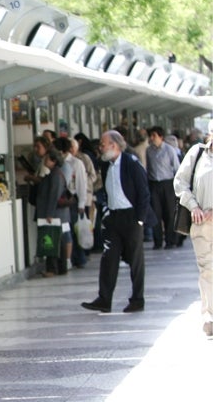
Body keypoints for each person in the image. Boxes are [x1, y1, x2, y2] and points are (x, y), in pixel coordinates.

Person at [82, 130, 150, 314]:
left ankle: (137, 299)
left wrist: (140, 220)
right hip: (113, 217)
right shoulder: (106, 165)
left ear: (114, 145)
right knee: (108, 258)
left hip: (131, 217)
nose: (100, 147)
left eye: (103, 144)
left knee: (135, 260)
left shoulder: (131, 163)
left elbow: (144, 192)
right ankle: (104, 299)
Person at [174, 121, 213, 336]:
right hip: (201, 225)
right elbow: (180, 182)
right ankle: (209, 315)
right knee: (207, 270)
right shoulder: (197, 153)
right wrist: (193, 206)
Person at [35, 150, 71, 277]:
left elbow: (53, 195)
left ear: (54, 161)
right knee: (58, 241)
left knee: (52, 241)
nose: (45, 161)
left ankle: (53, 268)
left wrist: (49, 213)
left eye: (47, 159)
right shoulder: (53, 174)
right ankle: (61, 268)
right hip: (56, 213)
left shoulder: (56, 175)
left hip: (55, 214)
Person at [54, 137, 89, 268]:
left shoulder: (76, 163)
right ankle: (68, 258)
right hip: (62, 200)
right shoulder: (58, 163)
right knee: (66, 230)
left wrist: (81, 203)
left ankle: (79, 258)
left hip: (73, 200)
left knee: (75, 230)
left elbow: (81, 183)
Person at [147, 126, 182, 249]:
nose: (152, 138)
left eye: (154, 136)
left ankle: (170, 240)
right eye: (150, 136)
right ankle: (157, 241)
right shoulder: (149, 151)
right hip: (154, 184)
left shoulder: (169, 150)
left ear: (161, 137)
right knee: (156, 213)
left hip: (168, 183)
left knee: (169, 213)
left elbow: (177, 168)